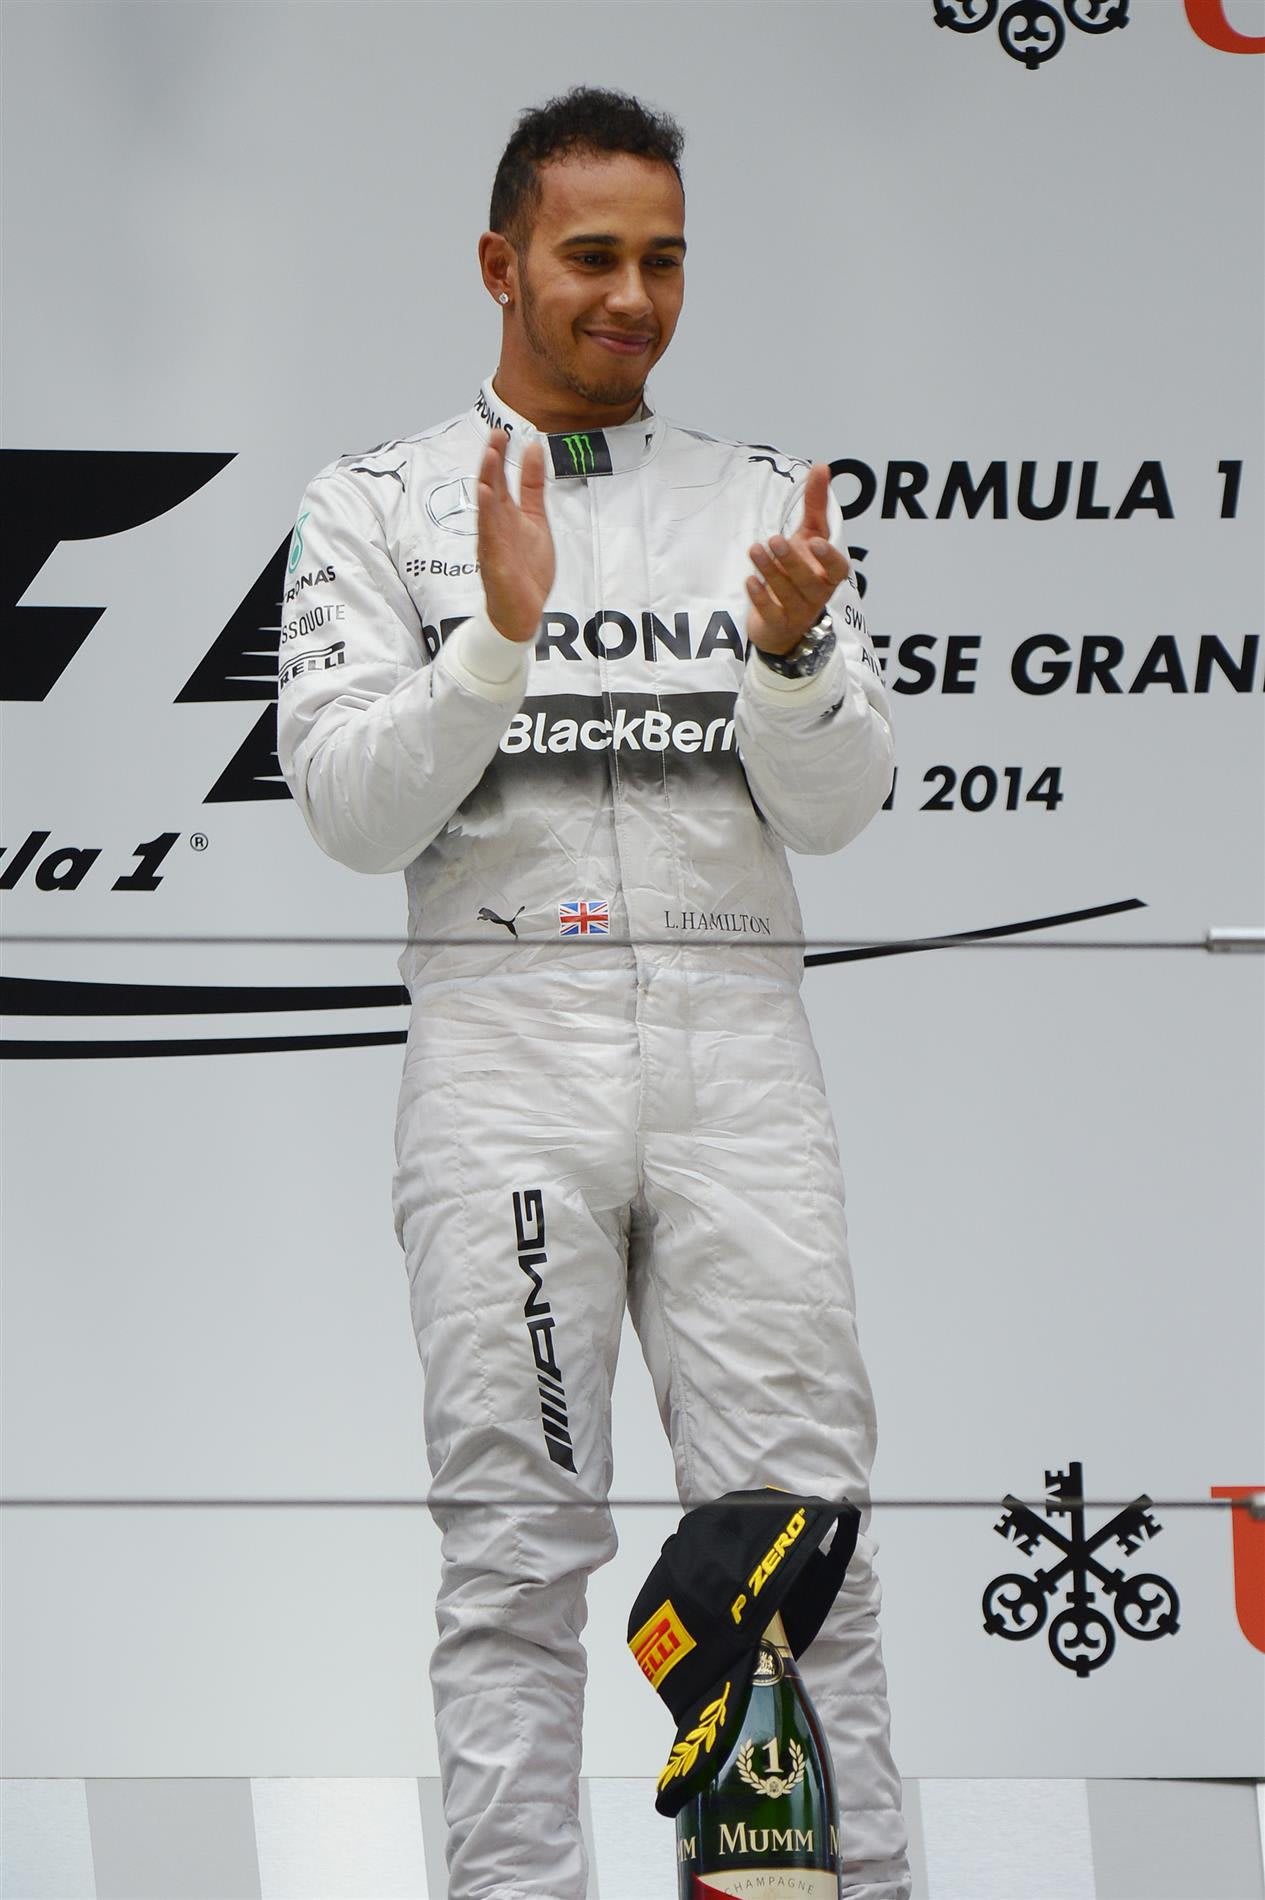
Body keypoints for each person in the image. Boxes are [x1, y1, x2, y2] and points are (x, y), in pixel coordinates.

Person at [278, 86, 909, 1900]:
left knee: (802, 1555)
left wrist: (787, 659)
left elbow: (842, 808)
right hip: (507, 1075)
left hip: (739, 1075)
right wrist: (490, 635)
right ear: (499, 263)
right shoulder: (378, 505)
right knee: (516, 1557)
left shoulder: (755, 505)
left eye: (663, 258)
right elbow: (343, 805)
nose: (632, 295)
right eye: (591, 256)